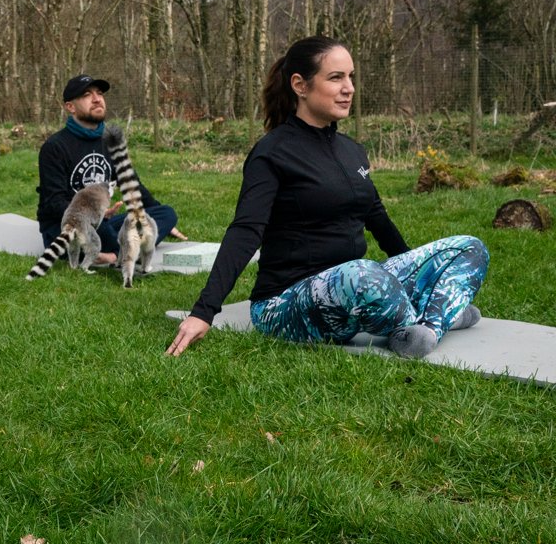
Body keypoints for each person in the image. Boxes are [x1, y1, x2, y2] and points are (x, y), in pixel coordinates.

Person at [167, 36, 489, 358]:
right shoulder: (273, 153)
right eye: (336, 78)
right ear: (300, 85)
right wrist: (204, 311)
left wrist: (416, 273)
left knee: (470, 248)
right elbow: (246, 231)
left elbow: (376, 216)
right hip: (285, 302)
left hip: (351, 284)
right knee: (361, 275)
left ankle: (425, 322)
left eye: (351, 77)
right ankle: (433, 315)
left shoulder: (352, 151)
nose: (348, 88)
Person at [37, 74, 187, 265]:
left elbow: (132, 186)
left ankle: (112, 255)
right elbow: (54, 203)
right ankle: (120, 253)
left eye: (99, 93)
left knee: (166, 213)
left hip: (102, 222)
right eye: (86, 95)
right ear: (70, 107)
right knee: (102, 231)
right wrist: (92, 215)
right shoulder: (55, 147)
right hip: (69, 224)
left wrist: (157, 215)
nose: (97, 99)